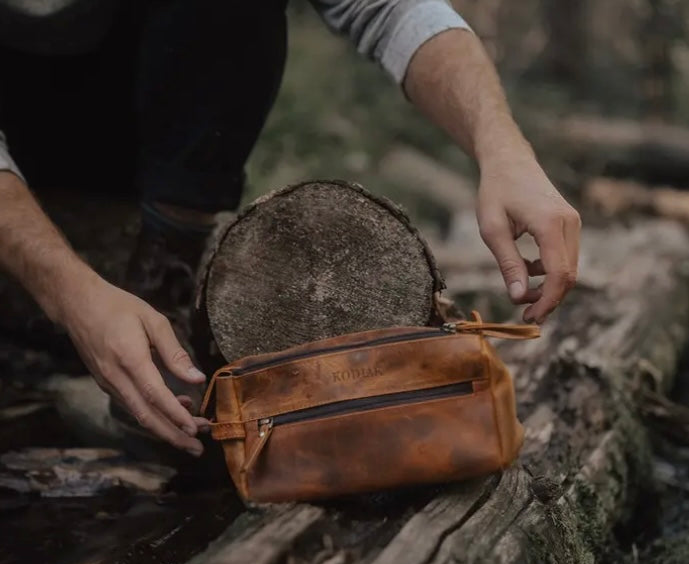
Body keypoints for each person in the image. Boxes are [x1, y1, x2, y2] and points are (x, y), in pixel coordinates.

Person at [0, 0, 580, 456]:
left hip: (136, 142)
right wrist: (73, 296)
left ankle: (164, 278)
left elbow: (396, 8)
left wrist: (504, 149)